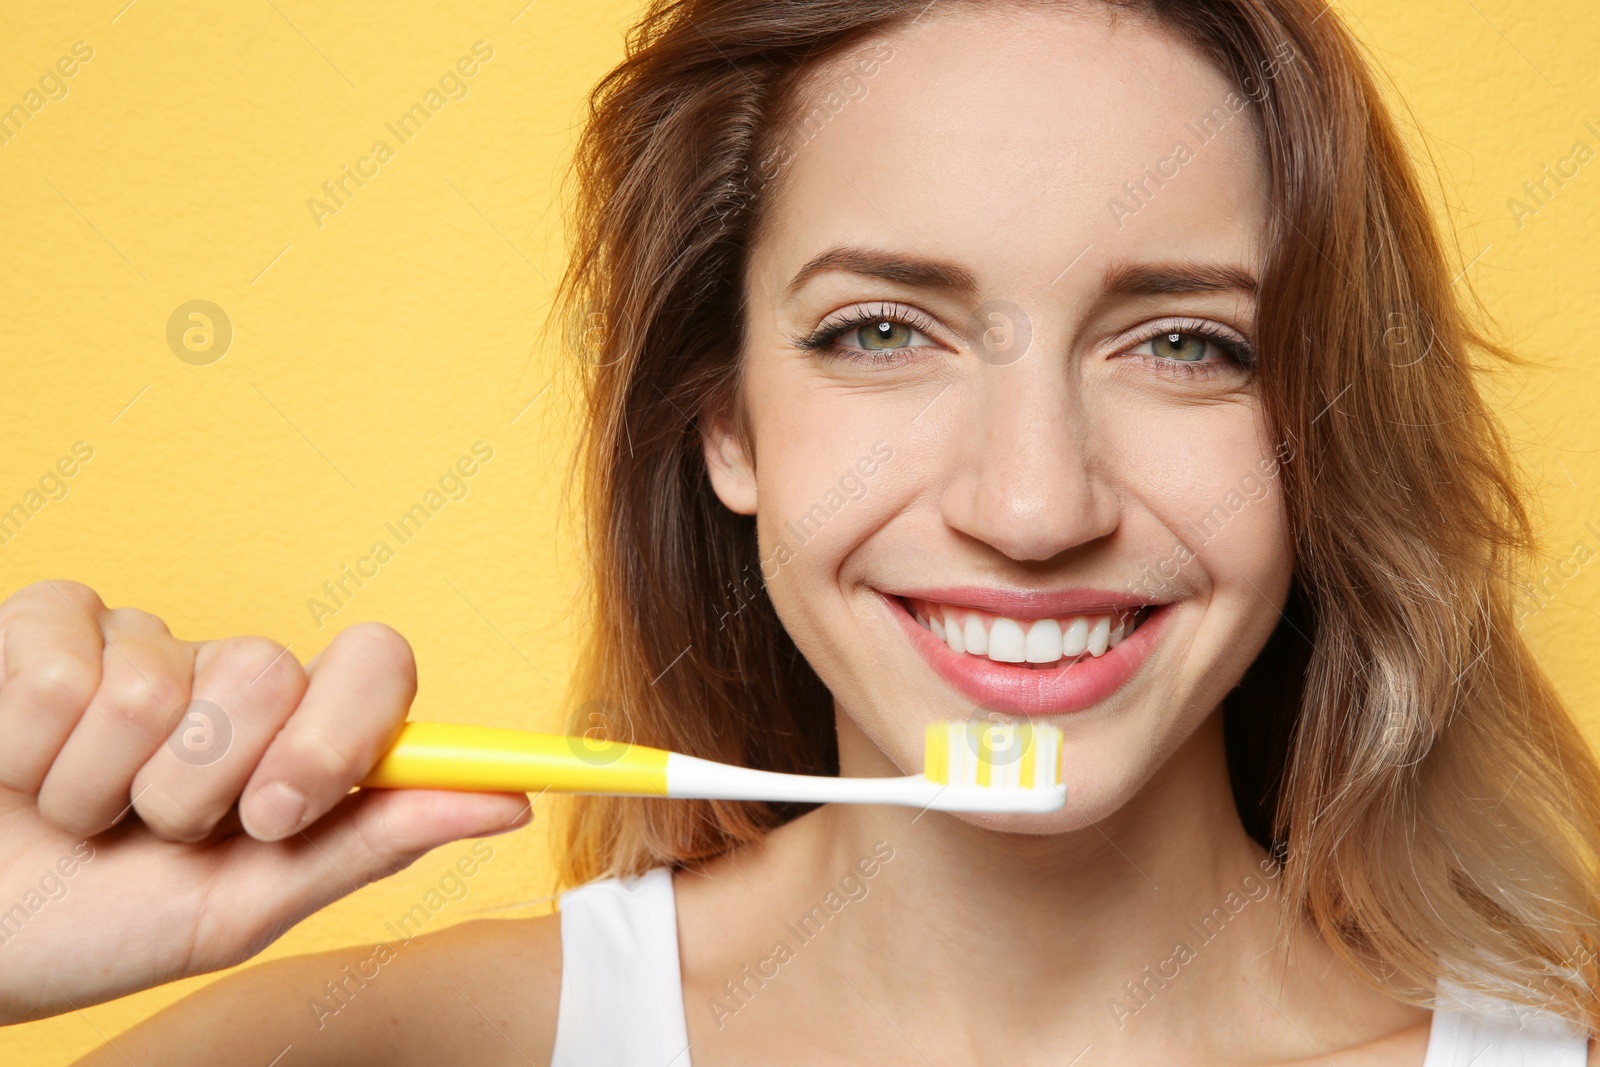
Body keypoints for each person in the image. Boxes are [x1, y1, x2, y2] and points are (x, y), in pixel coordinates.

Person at [2, 0, 1595, 1063]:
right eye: (882, 331)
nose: (1033, 506)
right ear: (727, 422)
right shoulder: (375, 1052)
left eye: (1186, 343)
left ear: (1318, 431)